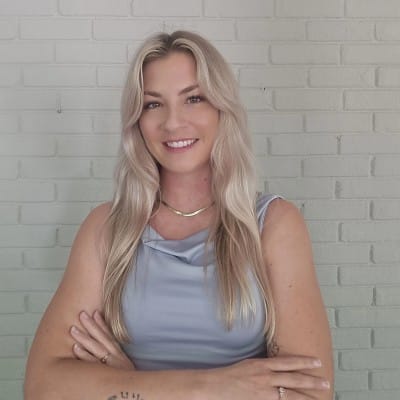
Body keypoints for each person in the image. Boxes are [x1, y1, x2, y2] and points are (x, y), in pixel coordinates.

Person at [24, 30, 333, 400]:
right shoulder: (107, 228)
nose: (173, 122)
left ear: (222, 109)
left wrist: (129, 382)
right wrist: (216, 386)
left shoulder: (273, 224)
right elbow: (42, 386)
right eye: (153, 104)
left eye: (194, 98)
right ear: (137, 120)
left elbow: (309, 392)